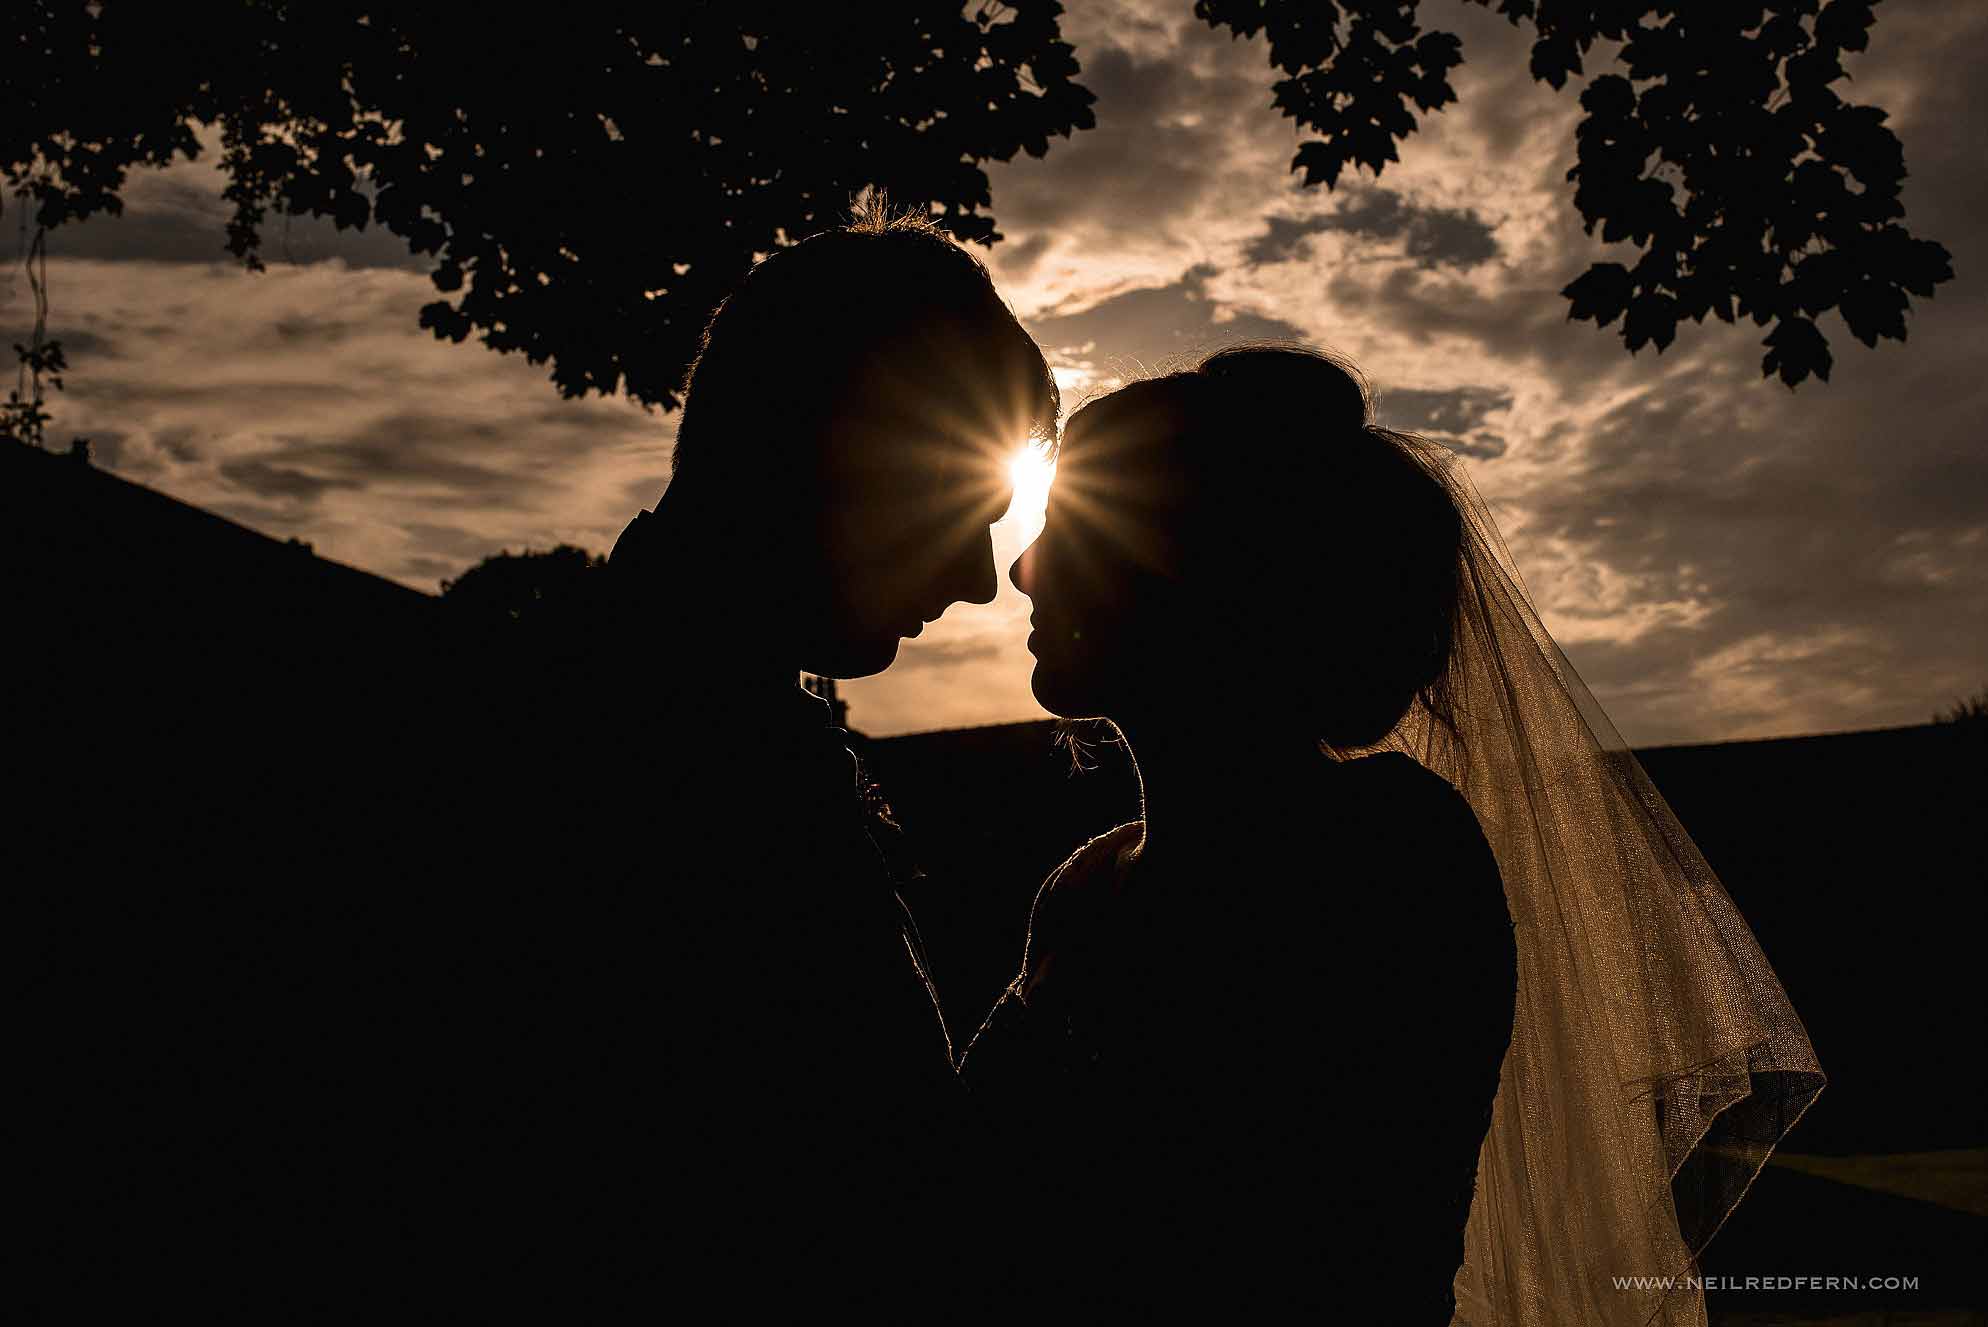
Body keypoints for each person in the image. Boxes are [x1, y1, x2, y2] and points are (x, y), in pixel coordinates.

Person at [961, 345, 1824, 1324]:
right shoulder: (1084, 885)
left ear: (1203, 573)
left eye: (1070, 529)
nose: (1024, 569)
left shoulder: (1384, 859)